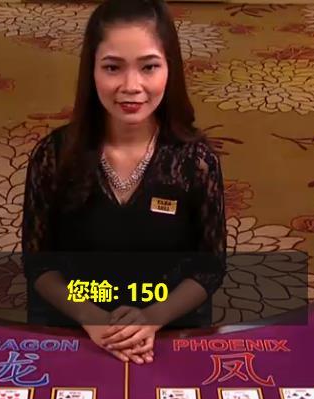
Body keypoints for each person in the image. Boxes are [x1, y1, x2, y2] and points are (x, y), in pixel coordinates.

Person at [21, 0, 227, 365]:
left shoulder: (195, 162)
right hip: (76, 324)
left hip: (167, 329)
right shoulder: (54, 156)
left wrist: (152, 318)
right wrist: (92, 318)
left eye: (149, 67)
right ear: (91, 71)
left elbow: (209, 268)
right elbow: (38, 264)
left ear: (170, 69)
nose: (132, 86)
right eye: (113, 67)